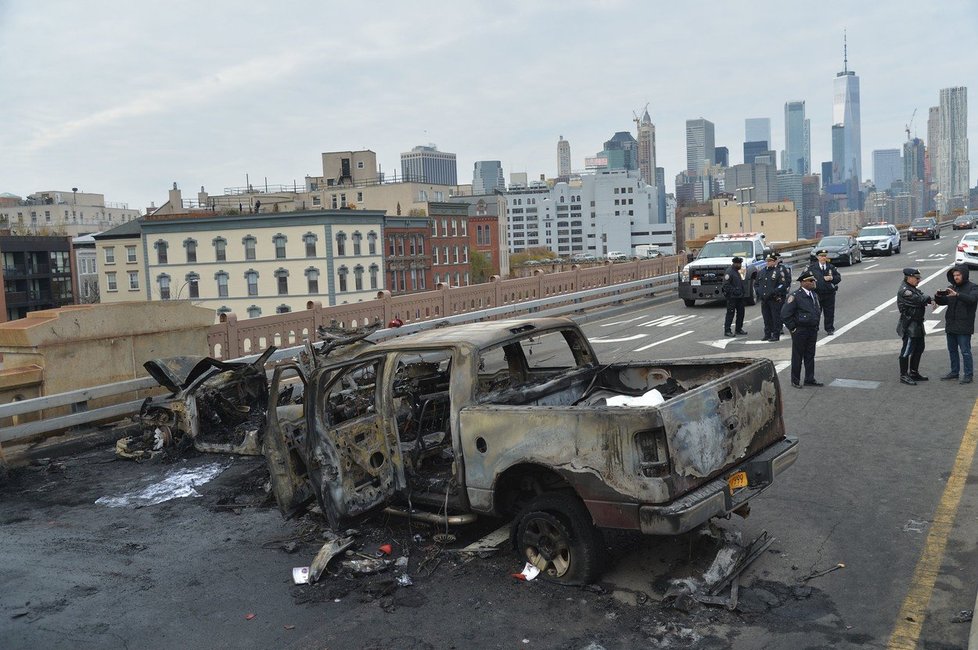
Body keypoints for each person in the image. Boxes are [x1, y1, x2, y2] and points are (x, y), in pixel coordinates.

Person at [934, 264, 978, 384]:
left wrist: (957, 295)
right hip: (951, 325)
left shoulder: (973, 287)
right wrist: (938, 297)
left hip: (964, 325)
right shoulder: (951, 287)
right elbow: (944, 301)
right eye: (954, 275)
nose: (956, 277)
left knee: (965, 351)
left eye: (958, 275)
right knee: (952, 350)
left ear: (964, 275)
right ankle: (954, 372)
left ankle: (968, 375)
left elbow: (972, 299)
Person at [781, 269, 823, 388]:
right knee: (797, 356)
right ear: (803, 282)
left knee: (810, 355)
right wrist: (793, 328)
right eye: (811, 281)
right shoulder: (795, 296)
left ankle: (809, 378)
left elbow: (816, 310)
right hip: (800, 330)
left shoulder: (814, 295)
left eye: (813, 280)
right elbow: (785, 314)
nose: (813, 282)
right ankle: (795, 380)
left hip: (812, 329)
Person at [896, 268, 933, 385]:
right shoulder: (905, 291)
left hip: (917, 323)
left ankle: (913, 372)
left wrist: (930, 298)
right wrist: (928, 299)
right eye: (916, 278)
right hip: (910, 324)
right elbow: (920, 299)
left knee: (919, 348)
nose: (919, 280)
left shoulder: (912, 288)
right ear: (909, 277)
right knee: (907, 350)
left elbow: (922, 296)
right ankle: (903, 375)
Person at [756, 253, 790, 341]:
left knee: (775, 318)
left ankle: (776, 334)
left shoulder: (778, 272)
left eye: (771, 261)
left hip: (774, 298)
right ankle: (767, 334)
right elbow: (756, 284)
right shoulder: (761, 272)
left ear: (775, 262)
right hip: (764, 299)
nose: (768, 263)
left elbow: (782, 285)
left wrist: (773, 292)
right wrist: (759, 292)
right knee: (766, 318)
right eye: (767, 261)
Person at [807, 249, 841, 334]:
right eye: (821, 256)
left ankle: (829, 329)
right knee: (816, 312)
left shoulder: (831, 267)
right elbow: (803, 279)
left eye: (825, 256)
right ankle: (815, 328)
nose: (823, 258)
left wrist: (832, 278)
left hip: (829, 293)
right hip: (816, 293)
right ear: (818, 257)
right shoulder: (812, 268)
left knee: (829, 312)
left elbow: (838, 278)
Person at [721, 256, 748, 337]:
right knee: (730, 313)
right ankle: (727, 330)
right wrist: (734, 291)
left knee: (741, 313)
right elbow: (726, 285)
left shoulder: (736, 271)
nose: (740, 265)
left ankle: (738, 329)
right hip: (732, 297)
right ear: (735, 263)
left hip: (739, 297)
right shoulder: (729, 272)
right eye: (739, 264)